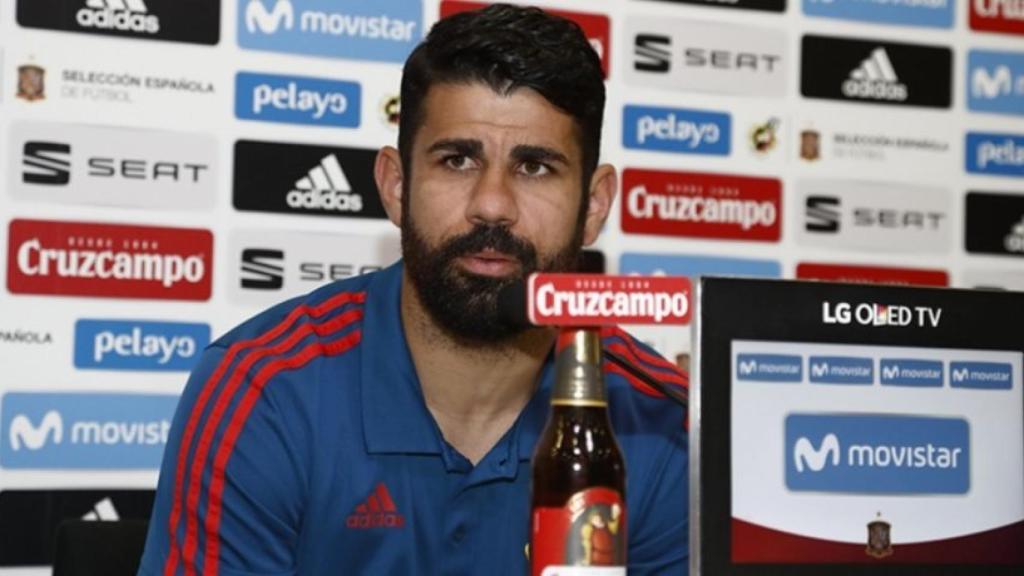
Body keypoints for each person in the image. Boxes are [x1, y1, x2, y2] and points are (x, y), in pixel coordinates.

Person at [138, 4, 688, 574]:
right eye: (457, 160)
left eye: (535, 168)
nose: (492, 205)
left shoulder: (662, 421)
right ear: (396, 187)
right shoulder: (264, 394)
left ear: (594, 205)